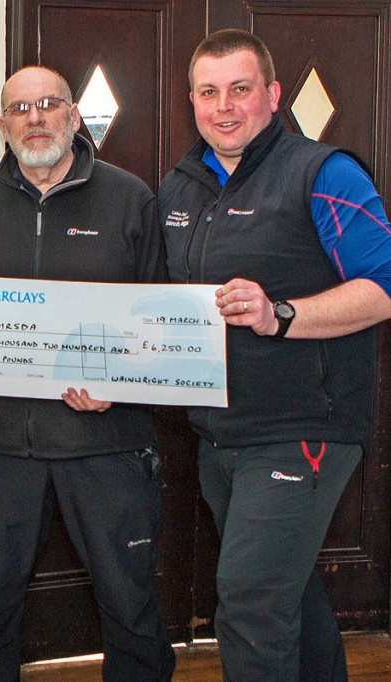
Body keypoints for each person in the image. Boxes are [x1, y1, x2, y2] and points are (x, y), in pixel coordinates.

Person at [159, 29, 391, 682]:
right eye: (208, 92)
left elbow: (384, 285)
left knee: (252, 604)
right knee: (289, 596)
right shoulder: (179, 191)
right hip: (219, 435)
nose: (224, 106)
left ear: (272, 95)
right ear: (192, 100)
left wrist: (280, 315)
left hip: (302, 431)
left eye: (240, 88)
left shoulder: (324, 173)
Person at [0, 65, 175, 682]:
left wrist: (119, 385)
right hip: (0, 448)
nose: (35, 117)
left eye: (49, 104)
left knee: (130, 605)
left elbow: (162, 321)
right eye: (20, 108)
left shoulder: (131, 199)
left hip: (109, 443)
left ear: (73, 116)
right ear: (2, 124)